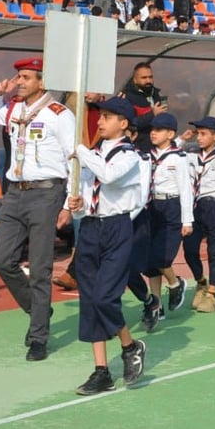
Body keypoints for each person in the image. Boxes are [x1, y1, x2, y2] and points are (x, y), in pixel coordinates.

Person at [0, 57, 75, 360]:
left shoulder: (59, 114)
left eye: (25, 77)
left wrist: (68, 202)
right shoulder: (13, 109)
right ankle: (38, 309)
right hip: (15, 192)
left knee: (40, 267)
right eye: (18, 77)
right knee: (1, 261)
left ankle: (39, 337)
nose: (19, 82)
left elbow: (72, 157)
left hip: (46, 193)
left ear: (41, 81)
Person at [66, 96, 147, 395]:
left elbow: (108, 176)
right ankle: (101, 371)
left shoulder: (129, 156)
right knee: (89, 299)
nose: (100, 121)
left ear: (123, 124)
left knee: (104, 297)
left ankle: (130, 345)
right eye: (100, 116)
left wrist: (82, 153)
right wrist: (76, 204)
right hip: (90, 226)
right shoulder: (94, 154)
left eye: (108, 117)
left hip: (117, 227)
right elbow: (88, 189)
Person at [145, 113, 192, 314]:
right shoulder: (148, 156)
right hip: (151, 206)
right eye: (152, 129)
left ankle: (175, 284)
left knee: (161, 257)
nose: (153, 133)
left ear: (170, 134)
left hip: (171, 206)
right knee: (149, 261)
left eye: (159, 130)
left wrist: (187, 220)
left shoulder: (179, 158)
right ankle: (156, 305)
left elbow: (186, 190)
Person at [182, 116, 215, 312]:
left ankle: (212, 293)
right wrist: (182, 139)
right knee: (189, 248)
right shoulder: (192, 155)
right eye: (198, 134)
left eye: (203, 134)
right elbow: (173, 152)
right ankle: (201, 281)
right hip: (196, 206)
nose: (199, 138)